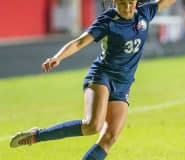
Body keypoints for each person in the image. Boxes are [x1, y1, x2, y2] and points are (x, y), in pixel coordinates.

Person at [10, 0, 176, 159]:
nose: (127, 7)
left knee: (110, 137)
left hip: (123, 84)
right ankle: (36, 135)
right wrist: (58, 57)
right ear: (115, 2)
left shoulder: (145, 13)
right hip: (102, 76)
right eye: (123, 3)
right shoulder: (108, 21)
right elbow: (80, 42)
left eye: (131, 2)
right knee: (92, 126)